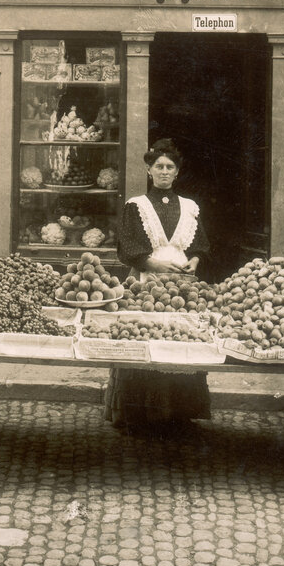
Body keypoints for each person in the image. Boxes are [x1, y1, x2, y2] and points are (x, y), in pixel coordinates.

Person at [105, 139, 210, 435]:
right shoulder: (136, 206)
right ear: (149, 170)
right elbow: (127, 247)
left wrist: (195, 261)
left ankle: (180, 414)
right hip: (145, 282)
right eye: (159, 166)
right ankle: (137, 415)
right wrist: (155, 265)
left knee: (180, 339)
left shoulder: (189, 207)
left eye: (170, 167)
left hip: (182, 286)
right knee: (144, 339)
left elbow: (199, 245)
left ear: (177, 172)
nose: (164, 171)